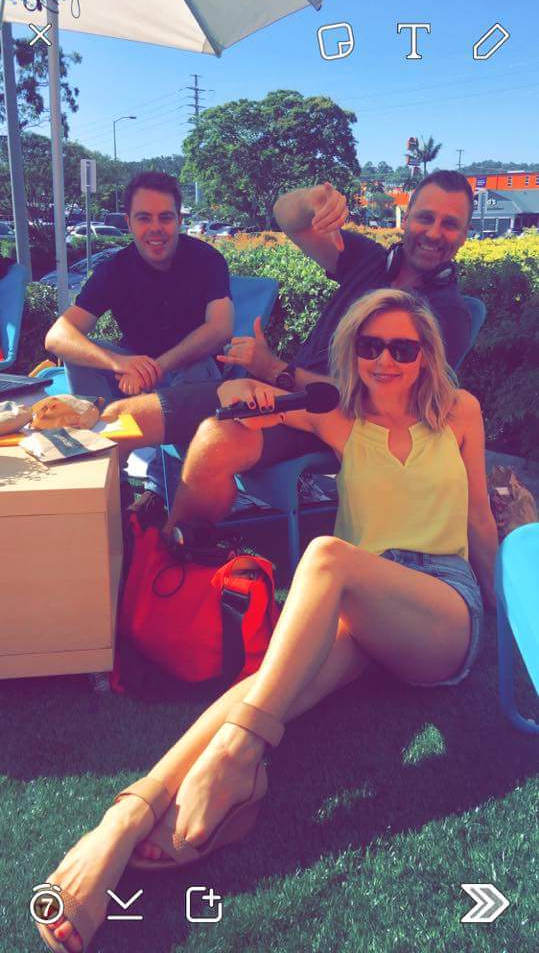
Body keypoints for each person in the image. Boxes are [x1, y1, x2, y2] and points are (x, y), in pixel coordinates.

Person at [35, 288, 498, 953]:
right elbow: (250, 408)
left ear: (426, 355)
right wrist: (236, 392)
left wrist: (505, 612)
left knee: (325, 557)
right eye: (371, 346)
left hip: (442, 608)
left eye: (403, 348)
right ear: (353, 353)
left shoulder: (459, 412)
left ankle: (237, 757)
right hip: (359, 608)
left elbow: (478, 516)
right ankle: (125, 817)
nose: (386, 361)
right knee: (263, 686)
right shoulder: (337, 414)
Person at [101, 169, 475, 527]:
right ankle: (103, 539)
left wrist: (276, 370)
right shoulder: (370, 261)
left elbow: (381, 405)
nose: (434, 232)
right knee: (123, 419)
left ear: (464, 234)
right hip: (277, 391)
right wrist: (312, 200)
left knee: (215, 442)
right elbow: (288, 217)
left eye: (450, 224)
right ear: (406, 218)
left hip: (331, 422)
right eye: (425, 218)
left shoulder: (447, 314)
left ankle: (174, 554)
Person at [44, 171, 233, 500]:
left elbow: (220, 328)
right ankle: (107, 473)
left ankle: (180, 496)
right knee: (81, 357)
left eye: (165, 217)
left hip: (194, 375)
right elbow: (58, 336)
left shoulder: (207, 260)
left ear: (179, 220)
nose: (155, 228)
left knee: (193, 370)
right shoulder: (114, 270)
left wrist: (156, 367)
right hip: (134, 370)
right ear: (129, 222)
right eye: (144, 218)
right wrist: (118, 362)